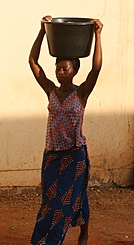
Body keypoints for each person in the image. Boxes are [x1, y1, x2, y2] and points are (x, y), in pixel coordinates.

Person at [28, 16, 103, 245]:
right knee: (50, 201)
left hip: (74, 154)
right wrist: (42, 31)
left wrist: (98, 35)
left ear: (74, 71)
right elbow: (33, 62)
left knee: (66, 202)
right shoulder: (50, 90)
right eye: (58, 68)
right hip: (52, 155)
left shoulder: (81, 94)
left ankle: (69, 237)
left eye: (64, 68)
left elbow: (97, 68)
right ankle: (41, 239)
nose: (60, 72)